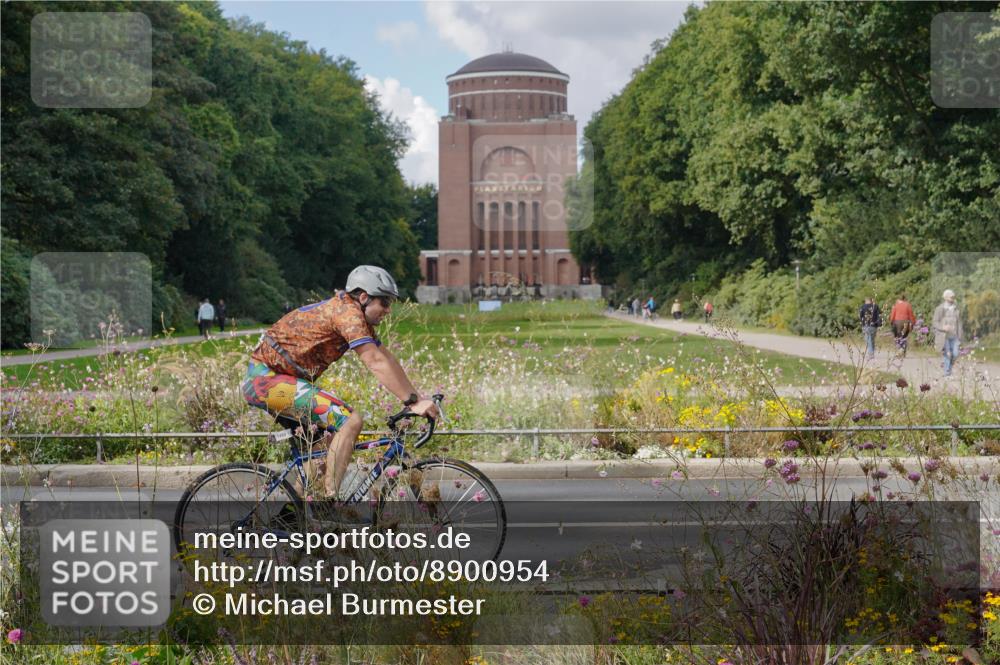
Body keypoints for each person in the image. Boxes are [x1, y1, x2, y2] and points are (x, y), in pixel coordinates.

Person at [241, 265, 439, 498]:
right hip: (265, 381)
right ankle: (331, 500)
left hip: (281, 381)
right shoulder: (347, 314)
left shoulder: (354, 314)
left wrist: (416, 399)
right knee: (351, 421)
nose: (388, 310)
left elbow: (386, 357)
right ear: (364, 297)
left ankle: (293, 518)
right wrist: (411, 401)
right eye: (385, 302)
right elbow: (374, 361)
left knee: (325, 448)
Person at [932, 289, 963, 377]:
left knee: (956, 354)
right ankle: (947, 372)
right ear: (945, 297)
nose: (953, 298)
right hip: (944, 336)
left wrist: (960, 336)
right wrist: (943, 327)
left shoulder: (956, 309)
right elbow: (935, 322)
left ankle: (948, 367)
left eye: (953, 296)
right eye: (951, 296)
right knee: (948, 354)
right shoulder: (939, 309)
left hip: (954, 336)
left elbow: (959, 324)